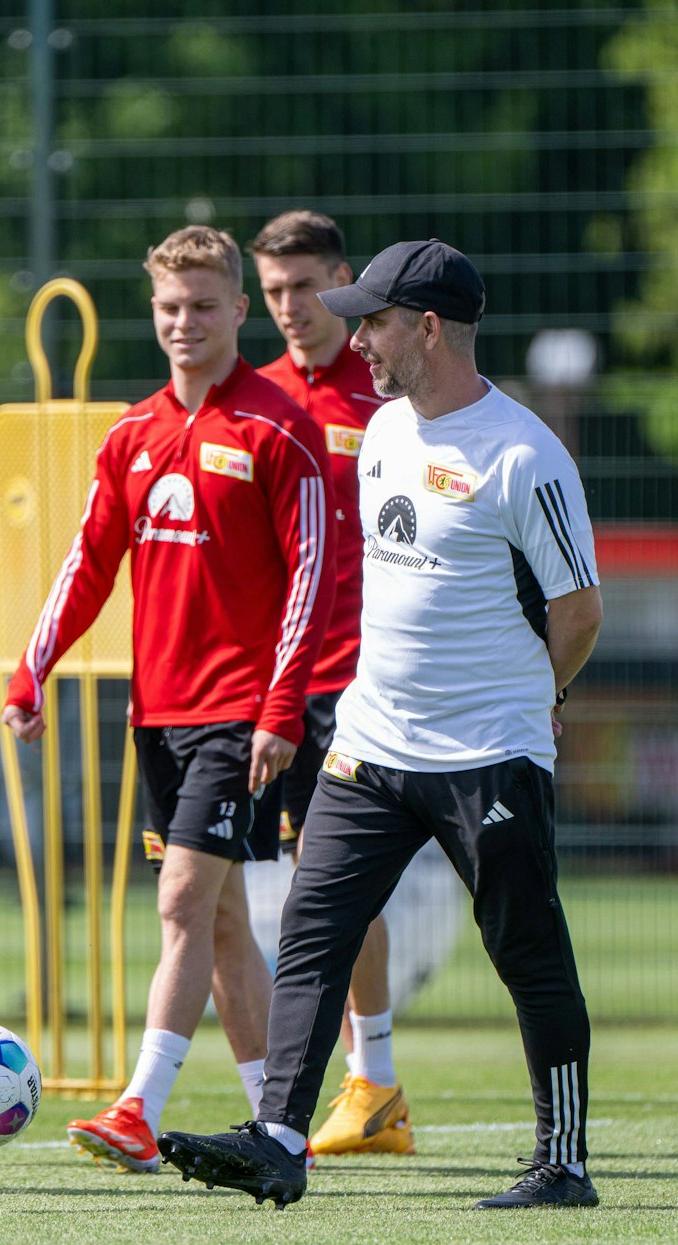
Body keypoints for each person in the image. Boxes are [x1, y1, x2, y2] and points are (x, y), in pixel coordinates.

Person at [160, 240, 604, 1211]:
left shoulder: (525, 454)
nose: (353, 336)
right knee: (313, 929)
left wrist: (537, 699)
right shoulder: (380, 435)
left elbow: (577, 611)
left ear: (428, 328)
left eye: (372, 320)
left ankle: (562, 1161)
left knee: (525, 951)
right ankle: (279, 1136)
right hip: (371, 744)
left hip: (489, 755)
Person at [1, 225, 333, 1174]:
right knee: (221, 924)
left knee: (184, 902)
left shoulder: (278, 428)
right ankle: (280, 1122)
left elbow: (314, 574)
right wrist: (34, 669)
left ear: (238, 309)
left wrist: (281, 709)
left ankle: (138, 1107)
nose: (184, 323)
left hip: (242, 715)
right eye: (168, 308)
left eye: (202, 306)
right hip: (160, 716)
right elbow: (87, 560)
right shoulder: (134, 433)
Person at [249, 209, 412, 1159]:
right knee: (260, 886)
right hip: (273, 677)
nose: (290, 308)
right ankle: (326, 1085)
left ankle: (375, 1078)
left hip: (363, 676)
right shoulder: (258, 396)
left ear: (342, 282)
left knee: (333, 876)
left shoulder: (386, 390)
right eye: (271, 293)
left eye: (305, 288)